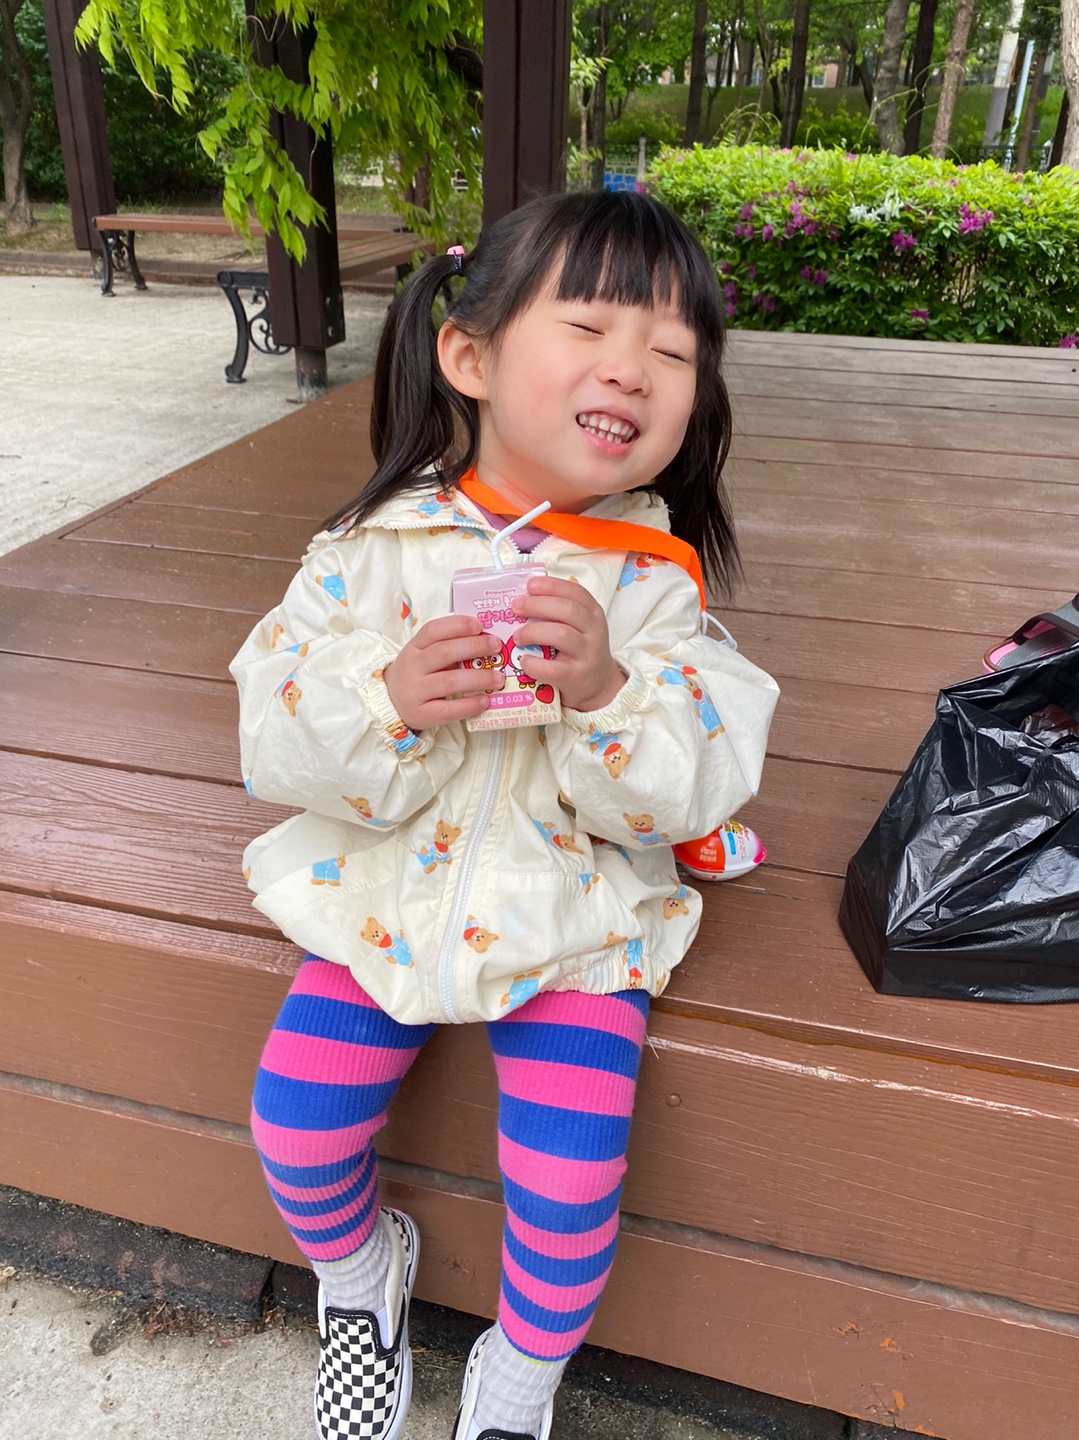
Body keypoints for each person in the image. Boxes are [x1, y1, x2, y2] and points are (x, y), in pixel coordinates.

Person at [230, 190, 779, 1440]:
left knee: (569, 1180)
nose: (629, 370)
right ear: (467, 357)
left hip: (572, 916)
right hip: (378, 892)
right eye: (586, 327)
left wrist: (610, 693)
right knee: (296, 1125)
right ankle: (359, 1274)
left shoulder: (653, 584)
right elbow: (270, 725)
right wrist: (382, 700)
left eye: (672, 353)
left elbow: (698, 777)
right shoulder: (369, 549)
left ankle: (521, 1377)